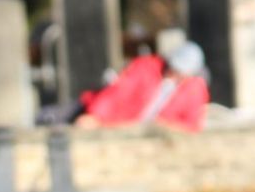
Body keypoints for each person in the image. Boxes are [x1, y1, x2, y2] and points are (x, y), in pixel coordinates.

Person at [75, 41, 210, 133]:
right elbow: (117, 93)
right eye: (175, 69)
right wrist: (96, 116)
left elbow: (193, 125)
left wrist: (166, 127)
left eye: (182, 72)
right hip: (121, 126)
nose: (176, 74)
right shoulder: (145, 68)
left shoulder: (195, 88)